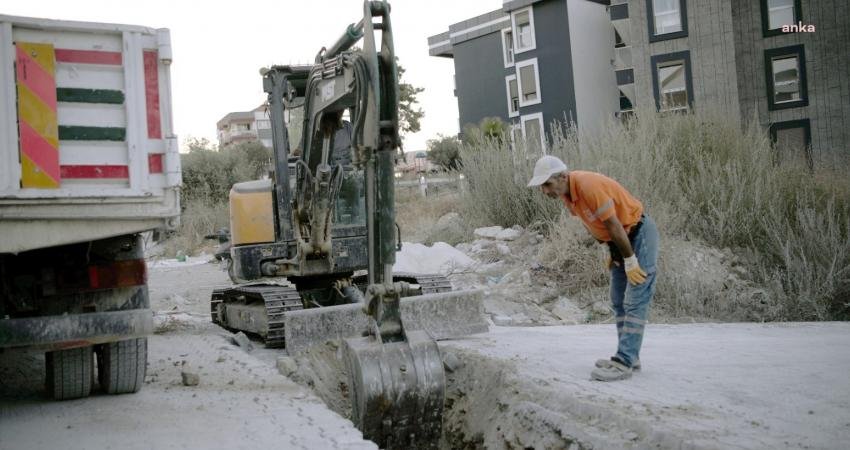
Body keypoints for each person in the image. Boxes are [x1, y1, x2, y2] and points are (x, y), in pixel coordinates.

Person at [527, 156, 659, 381]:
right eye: (541, 185)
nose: (544, 190)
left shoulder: (588, 185)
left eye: (547, 184)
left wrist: (630, 259)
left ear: (562, 177)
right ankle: (628, 357)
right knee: (618, 299)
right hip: (620, 242)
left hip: (638, 234)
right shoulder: (568, 195)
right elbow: (597, 226)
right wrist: (613, 251)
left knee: (636, 299)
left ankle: (625, 360)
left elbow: (614, 224)